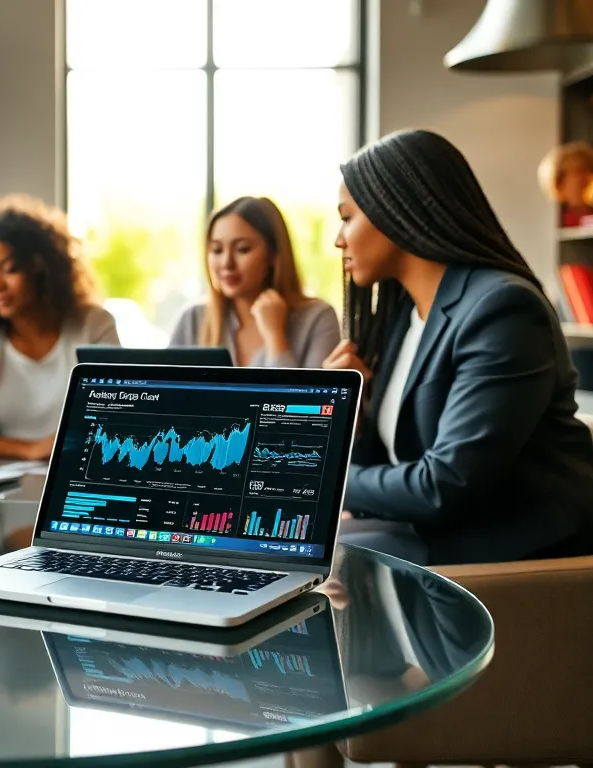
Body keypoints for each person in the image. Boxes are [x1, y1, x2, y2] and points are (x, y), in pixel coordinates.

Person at [326, 129, 593, 565]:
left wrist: (323, 477)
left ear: (395, 210)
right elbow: (386, 467)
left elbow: (445, 485)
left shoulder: (503, 310)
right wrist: (349, 413)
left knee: (317, 567)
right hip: (435, 533)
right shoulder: (404, 317)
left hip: (517, 554)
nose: (339, 239)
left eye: (346, 217)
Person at [0, 195, 119, 461]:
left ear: (42, 268)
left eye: (10, 269)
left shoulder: (94, 325)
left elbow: (117, 422)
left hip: (72, 476)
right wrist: (28, 449)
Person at [170, 196, 341, 368]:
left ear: (274, 254)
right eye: (217, 250)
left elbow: (308, 396)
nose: (226, 263)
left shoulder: (317, 319)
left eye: (242, 249)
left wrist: (275, 337)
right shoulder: (192, 320)